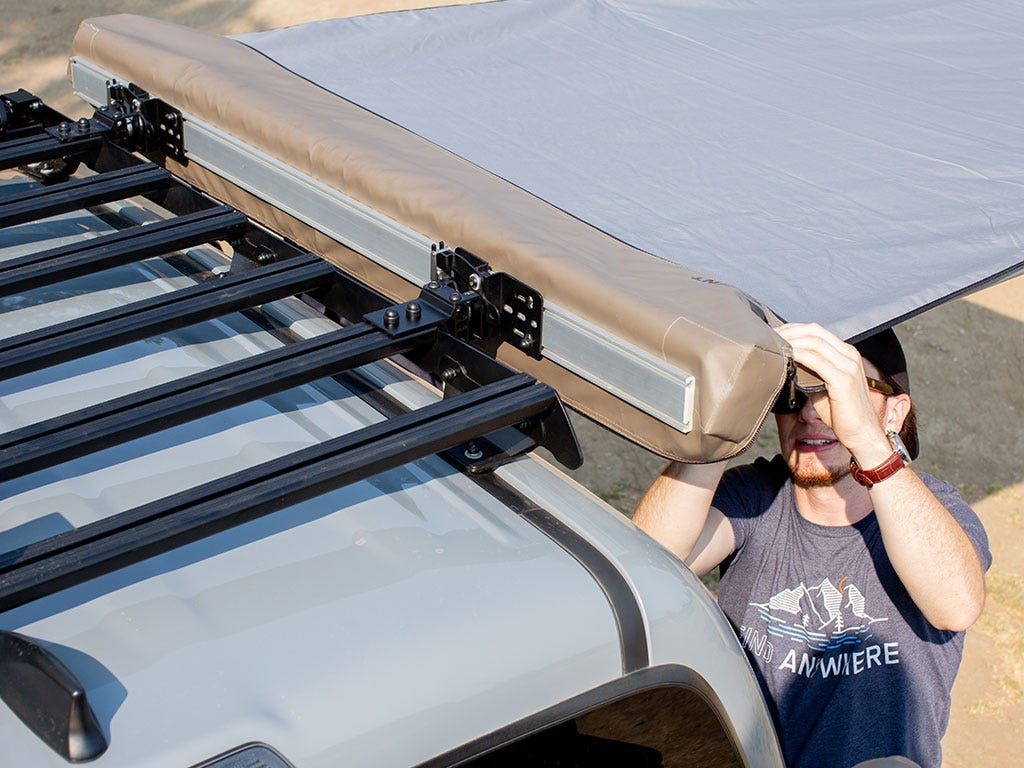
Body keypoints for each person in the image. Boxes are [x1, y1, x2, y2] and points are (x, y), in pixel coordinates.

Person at [634, 323, 989, 768]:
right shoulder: (755, 498)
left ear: (894, 413)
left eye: (839, 393)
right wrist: (725, 425)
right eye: (791, 393)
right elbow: (645, 567)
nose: (810, 412)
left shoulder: (933, 513)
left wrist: (867, 440)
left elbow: (956, 604)